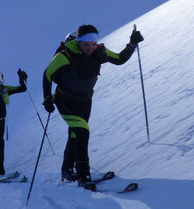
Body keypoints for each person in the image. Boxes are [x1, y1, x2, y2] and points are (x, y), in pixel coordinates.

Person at [42, 24, 143, 189]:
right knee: (82, 131)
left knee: (75, 134)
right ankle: (83, 175)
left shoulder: (98, 51)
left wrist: (131, 44)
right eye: (86, 45)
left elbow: (119, 59)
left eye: (93, 45)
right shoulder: (64, 56)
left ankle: (67, 170)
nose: (90, 48)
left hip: (85, 100)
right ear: (79, 42)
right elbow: (47, 75)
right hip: (64, 100)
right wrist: (47, 98)